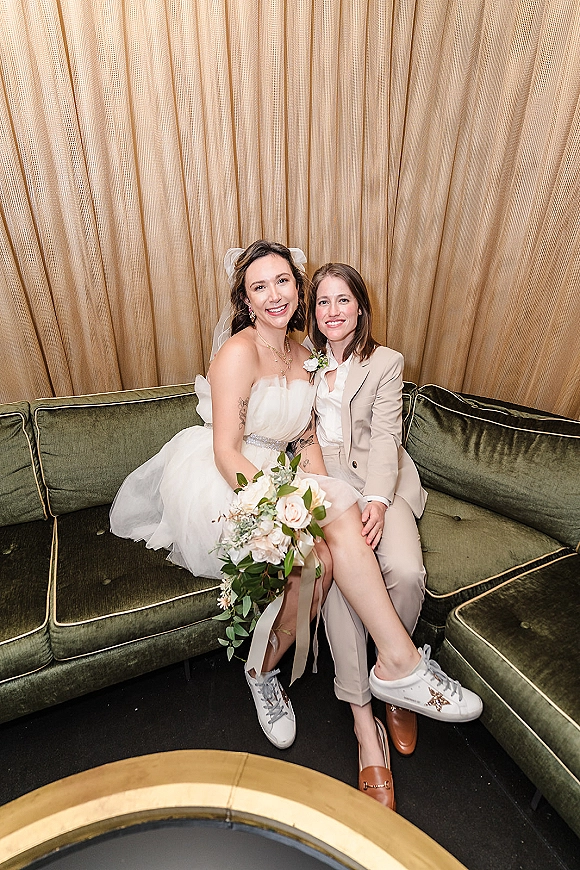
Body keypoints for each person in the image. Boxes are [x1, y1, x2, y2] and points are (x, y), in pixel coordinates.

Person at [110, 241, 482, 805]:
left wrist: (323, 491)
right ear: (246, 299)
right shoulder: (237, 354)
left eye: (282, 281)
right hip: (233, 485)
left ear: (296, 287)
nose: (274, 295)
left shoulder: (303, 349)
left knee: (326, 557)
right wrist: (276, 506)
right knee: (314, 561)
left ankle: (290, 668)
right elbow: (226, 451)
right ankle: (379, 664)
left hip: (286, 476)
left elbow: (307, 438)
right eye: (259, 287)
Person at [305, 262, 428, 806]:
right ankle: (364, 725)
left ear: (360, 307)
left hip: (382, 478)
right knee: (338, 579)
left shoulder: (385, 362)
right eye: (323, 302)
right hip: (325, 482)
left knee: (404, 569)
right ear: (313, 312)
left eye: (343, 300)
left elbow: (385, 438)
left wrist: (377, 500)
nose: (333, 311)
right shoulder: (300, 363)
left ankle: (395, 681)